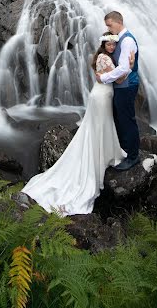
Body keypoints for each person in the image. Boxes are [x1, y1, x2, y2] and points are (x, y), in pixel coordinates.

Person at [21, 33, 133, 216]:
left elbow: (113, 77)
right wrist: (128, 65)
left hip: (103, 95)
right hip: (101, 97)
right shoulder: (104, 58)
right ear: (104, 44)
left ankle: (105, 153)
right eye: (110, 44)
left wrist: (124, 68)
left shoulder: (107, 57)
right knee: (99, 127)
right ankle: (99, 157)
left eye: (114, 44)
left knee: (102, 126)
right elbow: (113, 78)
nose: (112, 46)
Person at [96, 11, 140, 171]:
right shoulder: (119, 40)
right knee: (120, 119)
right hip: (121, 86)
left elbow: (124, 68)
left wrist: (104, 78)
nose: (108, 28)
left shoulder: (127, 40)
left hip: (127, 86)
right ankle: (124, 150)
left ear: (118, 22)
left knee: (127, 120)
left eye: (109, 24)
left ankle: (133, 156)